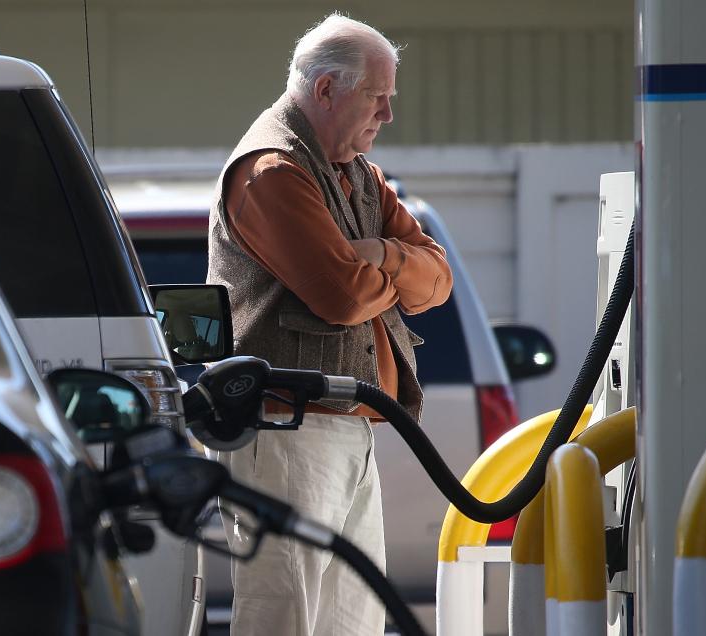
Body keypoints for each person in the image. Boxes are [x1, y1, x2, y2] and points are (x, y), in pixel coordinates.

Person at [206, 13, 453, 636]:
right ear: (326, 91)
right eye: (378, 97)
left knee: (354, 617)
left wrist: (386, 256)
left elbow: (439, 281)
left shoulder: (358, 173)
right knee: (284, 610)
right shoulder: (273, 170)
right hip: (285, 426)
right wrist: (387, 267)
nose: (388, 116)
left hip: (342, 423)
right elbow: (342, 296)